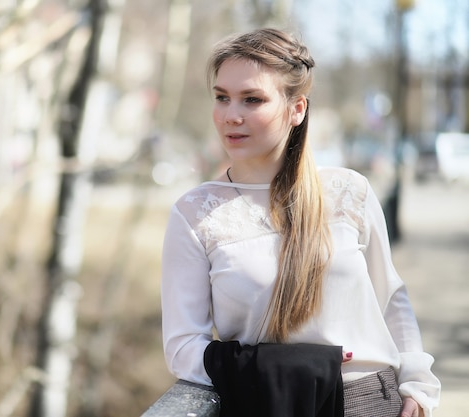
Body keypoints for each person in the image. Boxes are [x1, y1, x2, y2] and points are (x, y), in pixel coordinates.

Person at [160, 28, 440, 416]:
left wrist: (418, 385)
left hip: (371, 403)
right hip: (266, 403)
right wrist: (277, 369)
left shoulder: (348, 191)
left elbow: (390, 297)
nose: (231, 115)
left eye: (252, 99)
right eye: (222, 97)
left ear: (297, 109)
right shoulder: (196, 212)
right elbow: (182, 346)